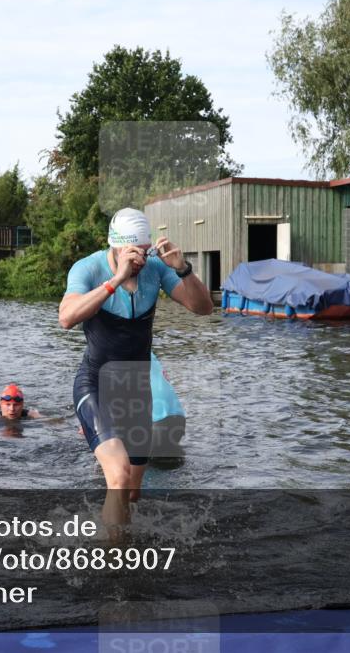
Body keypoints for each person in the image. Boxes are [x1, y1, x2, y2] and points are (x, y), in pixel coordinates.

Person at [58, 207, 212, 526]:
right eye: (133, 252)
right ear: (115, 246)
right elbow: (66, 318)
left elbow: (203, 308)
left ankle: (121, 541)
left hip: (136, 390)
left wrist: (183, 269)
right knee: (118, 475)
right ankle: (113, 556)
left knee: (131, 491)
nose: (140, 260)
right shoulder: (88, 268)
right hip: (96, 383)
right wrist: (116, 280)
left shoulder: (155, 269)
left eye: (144, 251)